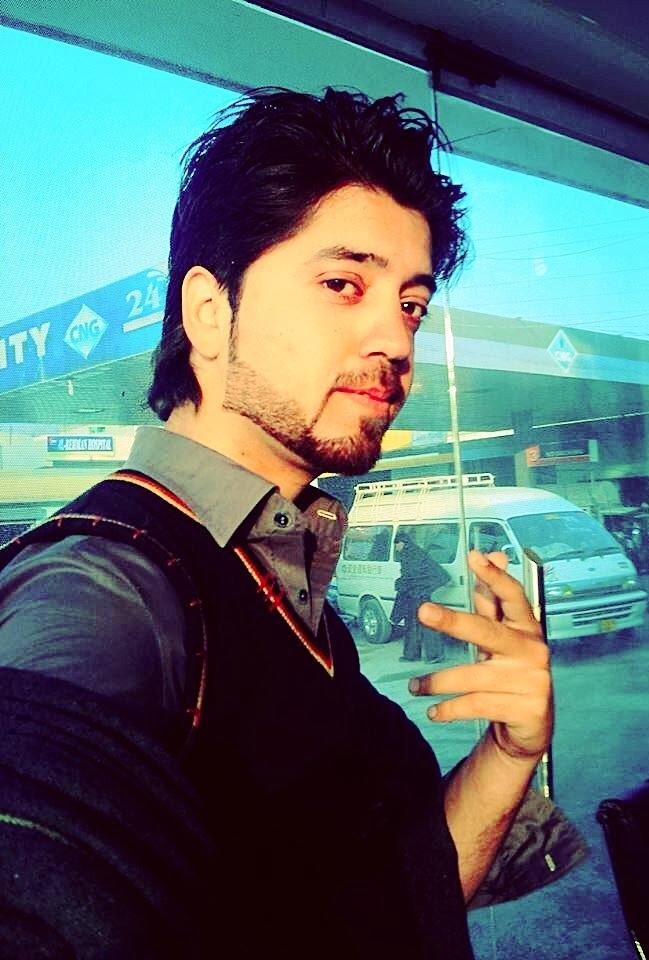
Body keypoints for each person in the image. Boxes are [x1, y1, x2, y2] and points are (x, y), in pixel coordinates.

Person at [0, 87, 585, 958]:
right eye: (342, 284)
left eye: (412, 304)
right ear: (210, 312)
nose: (396, 340)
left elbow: (395, 906)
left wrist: (507, 752)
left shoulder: (278, 570)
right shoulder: (106, 592)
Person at [393, 531, 450, 663]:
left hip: (418, 595)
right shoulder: (413, 553)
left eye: (396, 544)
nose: (396, 548)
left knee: (422, 625)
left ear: (402, 543)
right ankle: (413, 655)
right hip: (415, 594)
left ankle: (432, 655)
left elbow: (413, 576)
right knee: (414, 625)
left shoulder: (412, 555)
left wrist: (400, 583)